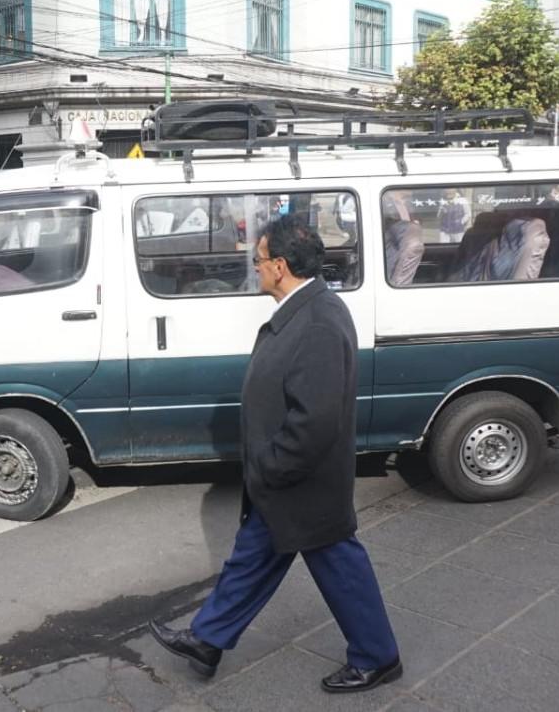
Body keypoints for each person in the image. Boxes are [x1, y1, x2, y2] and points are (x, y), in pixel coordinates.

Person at [148, 216, 401, 695]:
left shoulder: (318, 322)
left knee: (338, 565)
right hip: (287, 479)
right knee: (253, 557)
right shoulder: (306, 308)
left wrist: (270, 467)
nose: (256, 268)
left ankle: (378, 657)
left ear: (281, 266)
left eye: (260, 260)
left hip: (301, 479)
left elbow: (314, 421)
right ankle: (207, 639)